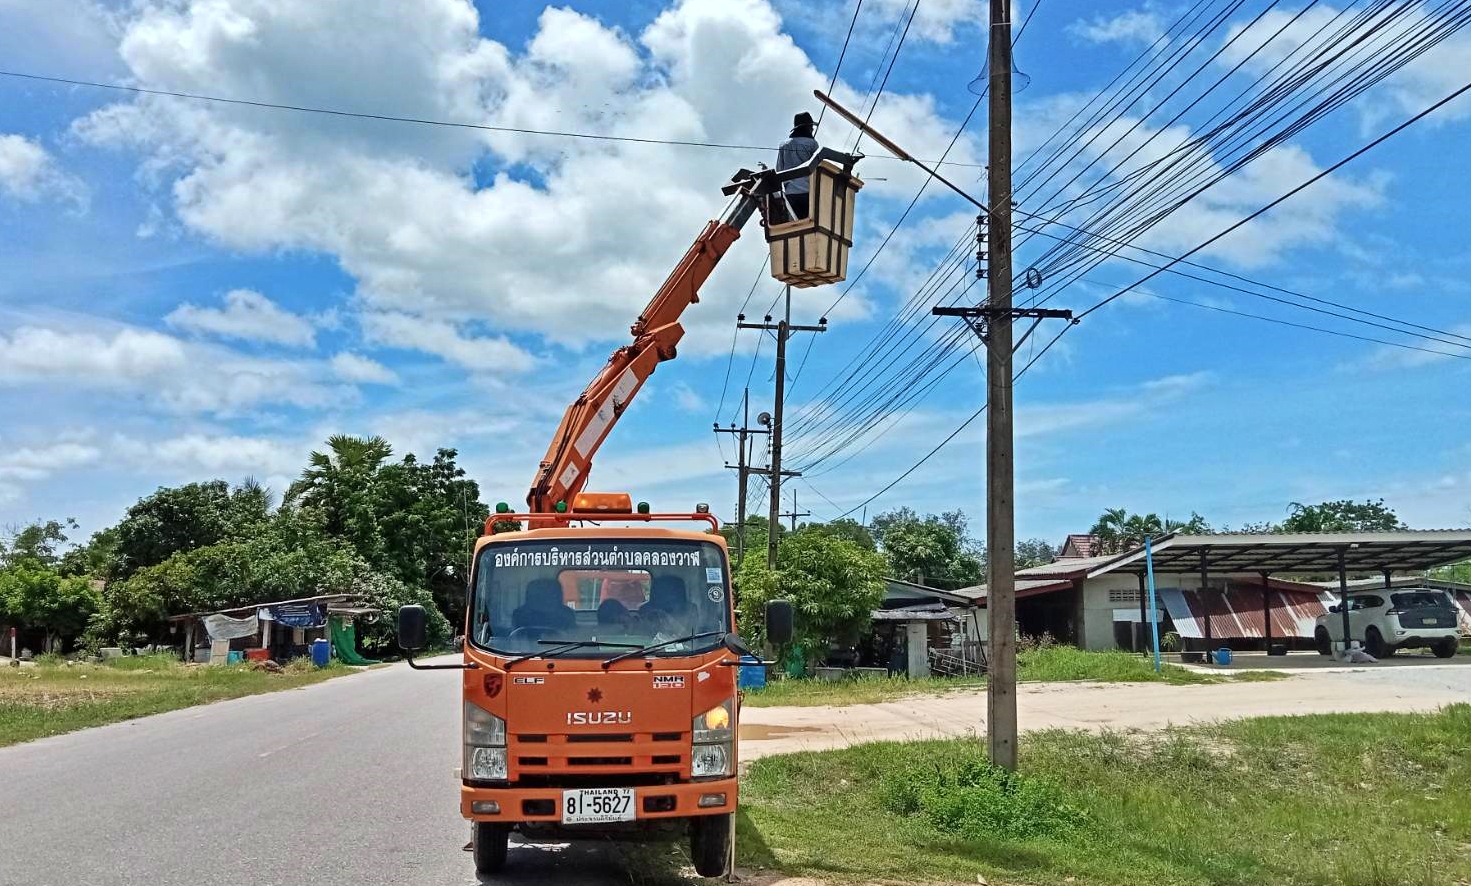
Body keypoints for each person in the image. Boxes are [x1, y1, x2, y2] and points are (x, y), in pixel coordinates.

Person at [776, 111, 819, 220]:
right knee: (811, 224)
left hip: (790, 194)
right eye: (811, 127)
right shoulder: (812, 144)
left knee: (795, 225)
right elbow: (818, 167)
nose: (812, 129)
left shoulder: (784, 145)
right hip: (808, 193)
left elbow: (779, 169)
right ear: (808, 128)